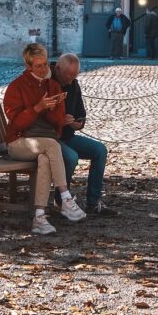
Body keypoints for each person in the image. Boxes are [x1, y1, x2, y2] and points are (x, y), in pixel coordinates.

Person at [3, 42, 87, 235]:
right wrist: (37, 108)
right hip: (19, 141)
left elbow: (58, 123)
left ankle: (39, 217)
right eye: (38, 66)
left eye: (45, 64)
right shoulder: (17, 87)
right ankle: (66, 198)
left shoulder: (53, 85)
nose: (43, 69)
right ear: (29, 66)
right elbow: (16, 124)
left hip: (44, 143)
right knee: (51, 145)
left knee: (45, 159)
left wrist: (52, 109)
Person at [51, 53, 115, 216]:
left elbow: (81, 115)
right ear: (58, 69)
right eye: (68, 76)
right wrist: (59, 121)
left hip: (68, 135)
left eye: (74, 76)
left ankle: (93, 202)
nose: (70, 80)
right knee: (71, 157)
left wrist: (76, 123)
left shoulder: (73, 85)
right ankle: (61, 200)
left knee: (100, 150)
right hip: (51, 138)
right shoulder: (47, 82)